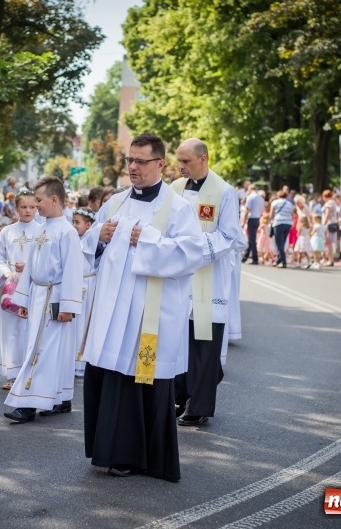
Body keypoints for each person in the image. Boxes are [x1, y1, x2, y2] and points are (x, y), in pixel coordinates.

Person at [81, 133, 205, 482]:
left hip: (147, 315)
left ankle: (137, 456)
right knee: (110, 374)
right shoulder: (115, 203)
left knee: (140, 378)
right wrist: (98, 237)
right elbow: (89, 244)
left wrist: (147, 240)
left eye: (141, 161)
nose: (133, 167)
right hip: (112, 311)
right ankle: (109, 450)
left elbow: (191, 254)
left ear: (160, 164)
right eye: (130, 160)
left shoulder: (178, 208)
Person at [171, 138, 243, 427]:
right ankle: (180, 396)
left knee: (203, 343)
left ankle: (199, 407)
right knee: (178, 341)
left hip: (208, 277)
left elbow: (229, 235)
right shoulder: (174, 189)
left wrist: (193, 250)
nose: (180, 166)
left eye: (186, 161)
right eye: (179, 160)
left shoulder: (224, 192)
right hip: (179, 276)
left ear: (203, 159)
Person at [3, 176, 83, 423]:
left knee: (43, 350)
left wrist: (68, 306)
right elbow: (30, 267)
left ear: (54, 199)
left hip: (54, 297)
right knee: (40, 347)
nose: (36, 205)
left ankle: (28, 404)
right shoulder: (40, 228)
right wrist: (23, 300)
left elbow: (72, 270)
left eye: (39, 200)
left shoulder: (67, 232)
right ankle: (60, 398)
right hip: (37, 295)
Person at [0, 189, 40, 390]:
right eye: (24, 207)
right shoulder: (7, 231)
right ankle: (12, 374)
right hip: (12, 284)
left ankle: (30, 373)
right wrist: (7, 272)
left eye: (32, 207)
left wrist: (29, 268)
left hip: (34, 285)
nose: (28, 211)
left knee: (30, 329)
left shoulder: (42, 231)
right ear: (16, 208)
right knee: (11, 330)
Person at [72, 207, 97, 378]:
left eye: (77, 222)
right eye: (73, 222)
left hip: (90, 284)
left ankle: (82, 362)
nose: (74, 225)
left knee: (86, 323)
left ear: (88, 225)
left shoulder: (92, 240)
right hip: (77, 283)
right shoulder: (73, 239)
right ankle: (73, 360)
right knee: (75, 324)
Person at [269, 189, 294, 268]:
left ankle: (283, 262)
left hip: (278, 223)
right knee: (282, 243)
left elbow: (271, 215)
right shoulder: (290, 204)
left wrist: (271, 221)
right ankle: (278, 260)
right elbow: (292, 215)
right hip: (288, 223)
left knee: (279, 243)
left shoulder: (275, 202)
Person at [241, 185, 265, 264]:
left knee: (252, 239)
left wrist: (243, 221)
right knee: (252, 239)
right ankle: (245, 257)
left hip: (252, 218)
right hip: (258, 219)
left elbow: (247, 210)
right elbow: (262, 211)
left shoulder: (250, 197)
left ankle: (255, 258)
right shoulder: (261, 198)